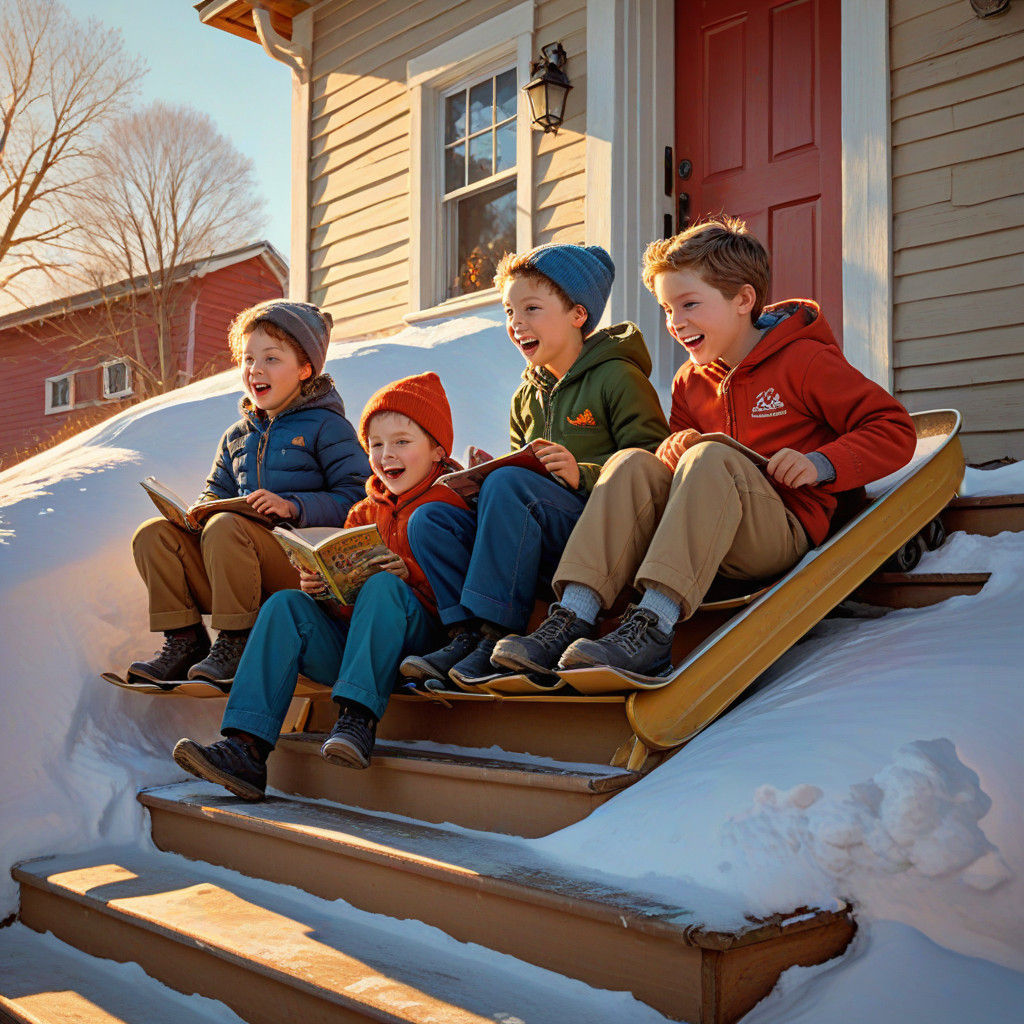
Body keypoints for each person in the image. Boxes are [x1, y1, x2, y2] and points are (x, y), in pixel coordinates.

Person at [491, 217, 918, 678]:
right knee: (632, 462)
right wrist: (672, 450)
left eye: (689, 304)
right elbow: (666, 472)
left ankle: (652, 627)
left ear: (743, 300)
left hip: (780, 529)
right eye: (667, 309)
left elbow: (893, 428)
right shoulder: (690, 382)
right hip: (705, 536)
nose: (676, 322)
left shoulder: (804, 361)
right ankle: (572, 616)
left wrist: (821, 463)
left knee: (710, 455)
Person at [171, 372, 468, 800]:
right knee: (286, 605)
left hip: (421, 649)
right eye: (376, 445)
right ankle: (245, 749)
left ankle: (357, 720)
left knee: (383, 587)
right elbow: (346, 610)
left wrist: (409, 574)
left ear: (438, 449)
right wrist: (325, 588)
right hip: (359, 652)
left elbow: (465, 592)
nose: (387, 455)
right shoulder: (362, 512)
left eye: (402, 442)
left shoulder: (451, 503)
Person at [402, 243, 669, 689]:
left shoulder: (619, 377)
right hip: (536, 539)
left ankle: (496, 635)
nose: (516, 323)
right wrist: (486, 478)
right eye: (509, 312)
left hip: (597, 537)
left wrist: (581, 472)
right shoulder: (525, 396)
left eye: (531, 309)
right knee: (431, 519)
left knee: (509, 484)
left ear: (578, 314)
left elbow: (654, 464)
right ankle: (465, 635)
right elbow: (520, 478)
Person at [128, 299, 369, 687]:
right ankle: (185, 641)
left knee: (225, 525)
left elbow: (358, 498)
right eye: (248, 358)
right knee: (153, 535)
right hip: (236, 569)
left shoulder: (328, 427)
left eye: (271, 358)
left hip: (299, 574)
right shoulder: (236, 437)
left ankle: (237, 642)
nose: (255, 369)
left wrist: (293, 506)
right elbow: (215, 493)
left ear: (305, 369)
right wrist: (196, 514)